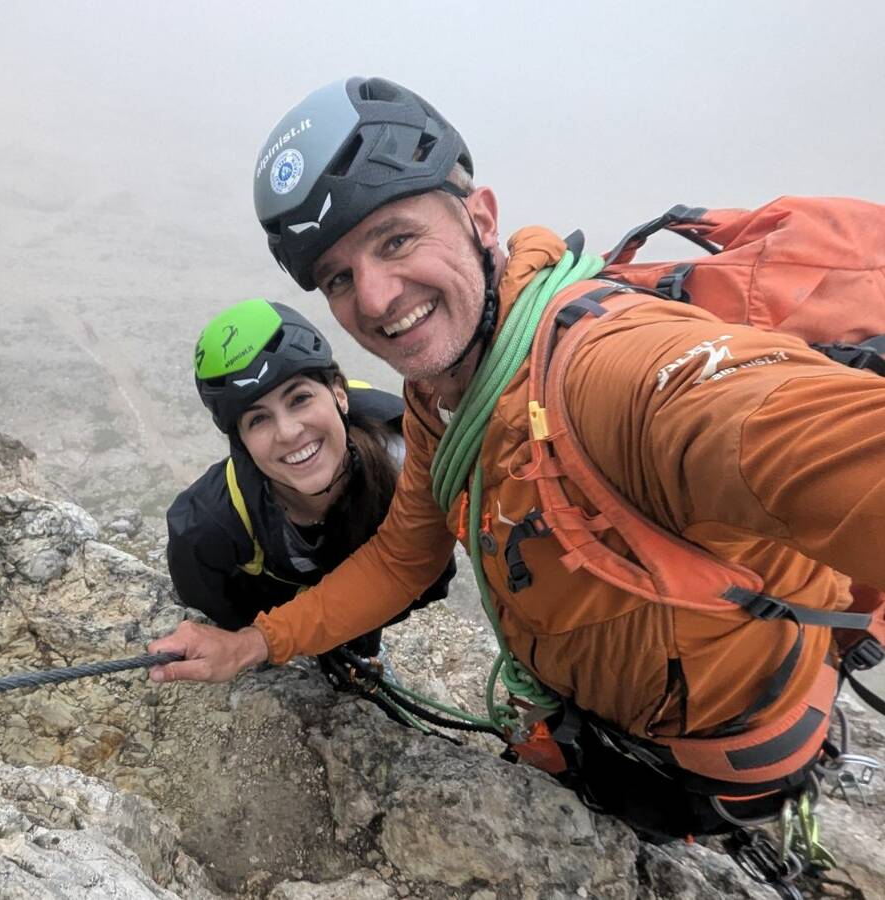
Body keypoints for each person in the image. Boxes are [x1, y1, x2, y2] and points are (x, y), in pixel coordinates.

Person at [148, 76, 885, 863]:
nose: (375, 296)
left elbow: (792, 434)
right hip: (597, 730)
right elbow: (404, 558)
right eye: (338, 276)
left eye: (396, 239)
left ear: (481, 218)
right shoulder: (440, 396)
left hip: (708, 765)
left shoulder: (615, 376)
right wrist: (255, 645)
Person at [166, 298, 456, 709]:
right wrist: (252, 644)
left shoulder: (412, 457)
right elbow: (214, 608)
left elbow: (421, 572)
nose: (288, 432)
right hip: (264, 612)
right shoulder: (205, 531)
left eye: (299, 398)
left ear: (339, 393)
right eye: (258, 419)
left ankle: (360, 650)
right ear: (242, 444)